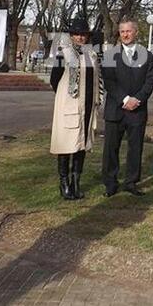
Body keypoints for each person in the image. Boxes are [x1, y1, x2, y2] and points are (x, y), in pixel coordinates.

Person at [101, 19, 153, 197]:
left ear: (136, 32)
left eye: (128, 31)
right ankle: (110, 183)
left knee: (135, 148)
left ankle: (131, 182)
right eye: (122, 31)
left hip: (137, 110)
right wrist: (125, 99)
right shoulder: (110, 55)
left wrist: (137, 99)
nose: (125, 34)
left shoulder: (147, 56)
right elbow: (109, 81)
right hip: (116, 109)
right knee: (111, 148)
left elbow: (150, 81)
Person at [49, 19, 101, 200]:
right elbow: (54, 80)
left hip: (87, 105)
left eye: (83, 34)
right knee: (65, 144)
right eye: (77, 34)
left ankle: (76, 183)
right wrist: (66, 96)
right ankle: (63, 184)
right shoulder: (63, 54)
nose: (80, 37)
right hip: (68, 105)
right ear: (71, 36)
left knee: (81, 145)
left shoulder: (92, 55)